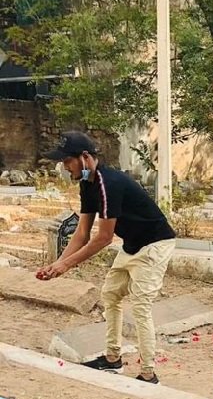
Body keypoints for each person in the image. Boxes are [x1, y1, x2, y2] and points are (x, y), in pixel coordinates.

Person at [36, 131, 176, 384]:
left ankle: (148, 373)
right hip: (133, 245)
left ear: (85, 157)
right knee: (110, 294)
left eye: (67, 161)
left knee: (141, 306)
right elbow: (82, 233)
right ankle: (113, 359)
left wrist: (66, 264)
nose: (65, 167)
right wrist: (58, 265)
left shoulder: (108, 184)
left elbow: (103, 238)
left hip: (155, 244)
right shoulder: (87, 184)